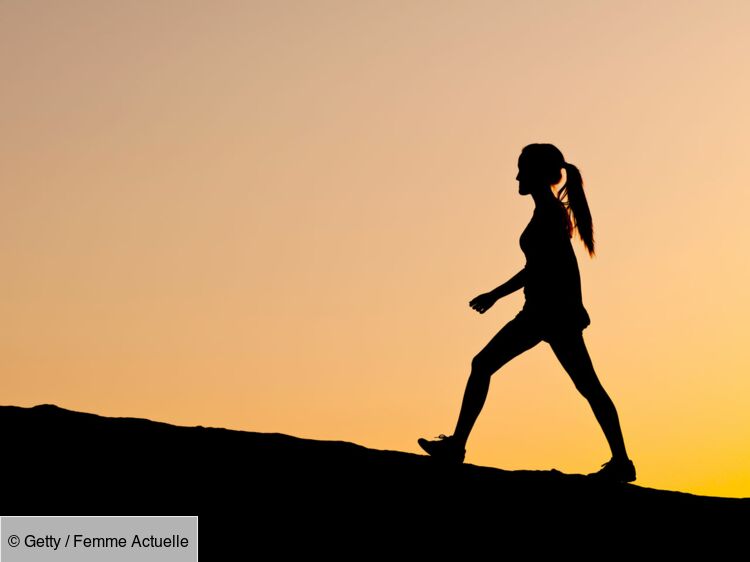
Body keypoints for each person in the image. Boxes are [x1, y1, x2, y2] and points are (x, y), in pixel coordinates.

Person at [418, 143, 636, 483]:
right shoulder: (547, 212)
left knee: (487, 365)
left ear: (535, 173)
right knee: (587, 386)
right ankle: (622, 461)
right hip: (545, 312)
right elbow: (544, 266)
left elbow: (545, 267)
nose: (517, 176)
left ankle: (457, 447)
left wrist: (495, 295)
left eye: (522, 169)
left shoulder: (549, 213)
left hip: (547, 314)